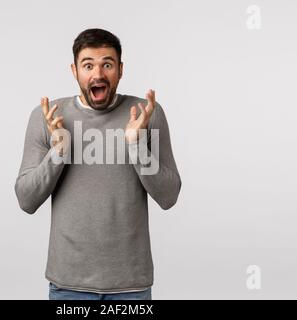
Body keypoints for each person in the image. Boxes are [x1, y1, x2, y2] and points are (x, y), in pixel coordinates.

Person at [14, 28, 181, 300]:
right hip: (68, 285)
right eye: (88, 65)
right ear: (74, 70)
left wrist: (136, 144)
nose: (98, 74)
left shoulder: (147, 114)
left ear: (121, 69)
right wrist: (58, 151)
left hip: (131, 287)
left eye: (107, 64)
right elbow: (26, 200)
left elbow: (169, 196)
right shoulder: (48, 117)